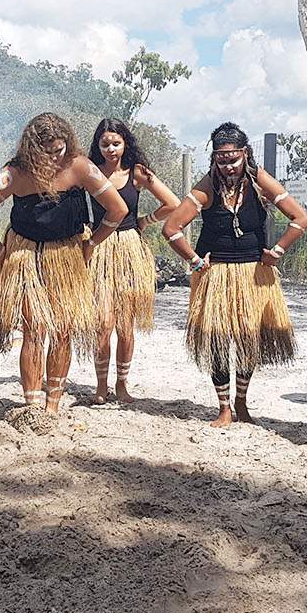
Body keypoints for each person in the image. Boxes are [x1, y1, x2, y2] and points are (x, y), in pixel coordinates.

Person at [0, 113, 128, 413]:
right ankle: (31, 404)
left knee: (63, 329)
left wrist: (91, 243)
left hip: (67, 256)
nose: (55, 157)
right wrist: (0, 250)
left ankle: (52, 404)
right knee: (34, 330)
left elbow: (117, 209)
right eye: (48, 152)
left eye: (60, 150)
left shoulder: (79, 166)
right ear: (32, 149)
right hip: (26, 256)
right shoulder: (15, 172)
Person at [162, 122, 307, 427]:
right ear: (214, 158)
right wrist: (193, 260)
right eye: (222, 159)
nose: (228, 166)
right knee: (217, 339)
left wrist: (278, 250)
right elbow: (171, 228)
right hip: (216, 274)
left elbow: (300, 218)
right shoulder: (206, 187)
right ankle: (224, 408)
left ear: (245, 154)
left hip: (253, 274)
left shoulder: (260, 180)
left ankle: (241, 403)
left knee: (246, 337)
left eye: (234, 159)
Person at [86, 118, 181, 404]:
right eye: (105, 144)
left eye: (116, 143)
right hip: (99, 247)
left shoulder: (137, 173)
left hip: (129, 248)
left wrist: (145, 221)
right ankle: (101, 386)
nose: (110, 149)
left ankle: (122, 384)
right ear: (97, 145)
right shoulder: (90, 171)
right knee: (103, 322)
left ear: (125, 143)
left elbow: (172, 203)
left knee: (125, 325)